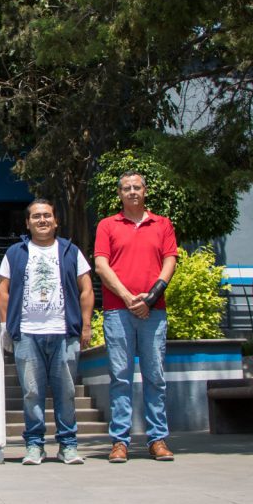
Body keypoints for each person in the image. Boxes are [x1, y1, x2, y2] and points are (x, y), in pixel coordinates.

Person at [0, 199, 94, 466]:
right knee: (31, 392)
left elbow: (86, 289)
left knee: (66, 392)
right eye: (36, 216)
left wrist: (85, 325)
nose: (42, 220)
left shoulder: (70, 251)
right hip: (27, 333)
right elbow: (2, 291)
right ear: (27, 223)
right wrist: (6, 328)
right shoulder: (15, 253)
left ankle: (68, 446)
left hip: (64, 333)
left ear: (56, 221)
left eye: (47, 216)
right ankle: (34, 446)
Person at [93, 172, 178, 463]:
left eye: (137, 187)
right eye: (126, 188)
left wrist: (152, 296)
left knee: (155, 376)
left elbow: (170, 259)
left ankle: (158, 439)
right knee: (120, 377)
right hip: (118, 311)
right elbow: (102, 265)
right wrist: (129, 298)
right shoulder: (107, 225)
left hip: (154, 311)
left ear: (145, 191)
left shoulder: (162, 224)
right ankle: (120, 441)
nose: (132, 192)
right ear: (119, 194)